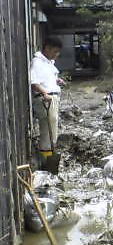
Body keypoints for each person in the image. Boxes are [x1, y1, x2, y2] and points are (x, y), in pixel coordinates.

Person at [30, 35, 64, 165]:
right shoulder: (37, 62)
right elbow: (34, 82)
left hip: (51, 99)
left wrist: (57, 81)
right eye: (55, 51)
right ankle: (46, 161)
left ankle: (49, 158)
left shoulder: (48, 63)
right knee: (47, 132)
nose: (57, 55)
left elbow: (45, 79)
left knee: (52, 131)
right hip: (45, 100)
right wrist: (45, 93)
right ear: (47, 48)